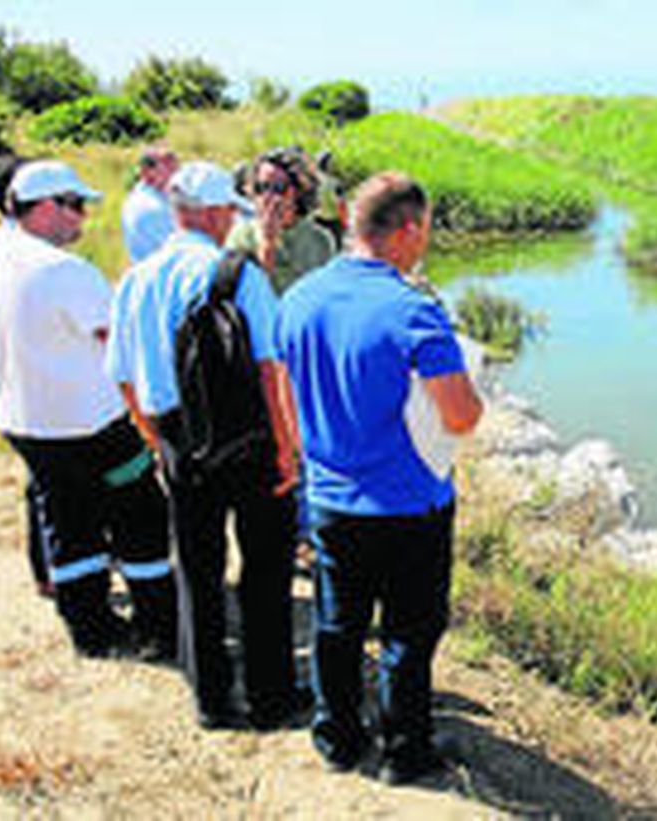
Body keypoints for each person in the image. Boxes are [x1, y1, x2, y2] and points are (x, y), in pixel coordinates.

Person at [277, 173, 482, 781]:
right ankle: (404, 751)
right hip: (409, 504)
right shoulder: (414, 311)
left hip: (330, 500)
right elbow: (461, 415)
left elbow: (285, 398)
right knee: (408, 635)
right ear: (409, 229)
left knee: (337, 625)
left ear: (349, 221)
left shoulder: (300, 297)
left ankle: (337, 739)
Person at [106, 161, 307, 731]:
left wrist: (154, 437)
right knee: (265, 566)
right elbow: (271, 367)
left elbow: (122, 376)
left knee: (197, 567)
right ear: (217, 213)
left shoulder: (135, 279)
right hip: (248, 436)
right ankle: (270, 696)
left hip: (176, 436)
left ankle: (211, 698)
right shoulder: (237, 273)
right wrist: (287, 449)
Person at [0, 160, 176, 659]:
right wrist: (152, 420)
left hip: (27, 422)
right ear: (46, 206)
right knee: (140, 513)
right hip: (90, 425)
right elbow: (119, 344)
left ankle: (89, 628)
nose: (83, 217)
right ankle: (159, 623)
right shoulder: (64, 271)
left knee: (68, 521)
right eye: (76, 205)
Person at [0, 153, 56, 599]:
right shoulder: (14, 252)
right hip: (29, 390)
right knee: (45, 485)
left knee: (41, 481)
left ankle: (48, 568)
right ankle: (50, 571)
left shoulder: (4, 247)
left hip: (18, 388)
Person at [226, 148, 335, 294]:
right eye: (261, 187)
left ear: (298, 191)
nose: (268, 196)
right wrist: (268, 243)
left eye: (278, 188)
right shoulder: (241, 236)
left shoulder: (320, 240)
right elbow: (249, 293)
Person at [121, 147, 178, 264]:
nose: (177, 172)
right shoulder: (152, 207)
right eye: (167, 165)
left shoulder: (141, 195)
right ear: (147, 172)